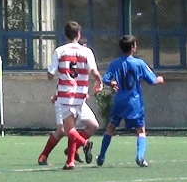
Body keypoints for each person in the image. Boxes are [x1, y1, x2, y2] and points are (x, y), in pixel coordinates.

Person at [96, 35, 164, 168]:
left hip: (119, 101)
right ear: (133, 47)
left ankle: (101, 156)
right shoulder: (139, 63)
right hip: (134, 102)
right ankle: (140, 157)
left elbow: (105, 79)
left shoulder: (115, 63)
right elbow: (152, 80)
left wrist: (111, 83)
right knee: (140, 130)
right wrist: (159, 79)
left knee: (110, 128)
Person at [44, 21, 101, 170]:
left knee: (70, 130)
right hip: (80, 95)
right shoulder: (87, 52)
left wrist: (52, 70)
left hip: (66, 95)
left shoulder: (59, 51)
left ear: (65, 35)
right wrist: (99, 81)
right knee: (80, 127)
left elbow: (50, 75)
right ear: (79, 34)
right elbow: (94, 72)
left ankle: (84, 143)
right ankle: (70, 161)